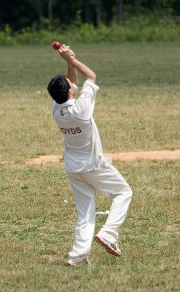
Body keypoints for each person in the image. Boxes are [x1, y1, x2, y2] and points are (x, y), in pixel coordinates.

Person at [47, 44, 133, 266]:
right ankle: (109, 234)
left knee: (85, 212)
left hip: (73, 168)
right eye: (69, 86)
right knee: (123, 193)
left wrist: (67, 60)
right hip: (94, 165)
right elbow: (91, 76)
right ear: (69, 92)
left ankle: (77, 256)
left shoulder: (57, 109)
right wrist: (72, 59)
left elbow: (72, 83)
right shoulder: (81, 108)